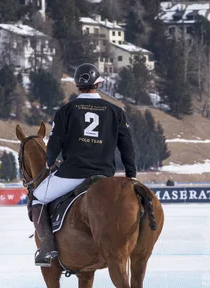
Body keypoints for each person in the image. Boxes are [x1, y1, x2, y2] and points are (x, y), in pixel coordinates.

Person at [30, 63, 137, 267]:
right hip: (105, 175)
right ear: (98, 83)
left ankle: (47, 246)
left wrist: (50, 161)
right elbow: (127, 145)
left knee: (36, 199)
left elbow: (54, 143)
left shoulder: (66, 110)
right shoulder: (116, 111)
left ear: (77, 85)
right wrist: (131, 174)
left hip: (73, 174)